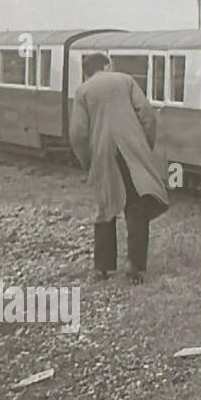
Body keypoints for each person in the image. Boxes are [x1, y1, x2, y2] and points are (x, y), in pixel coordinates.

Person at [69, 53, 170, 284]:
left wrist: (87, 160)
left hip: (102, 155)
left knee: (105, 207)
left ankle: (102, 269)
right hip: (131, 151)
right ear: (107, 65)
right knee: (136, 206)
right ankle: (135, 267)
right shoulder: (125, 80)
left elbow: (78, 133)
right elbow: (148, 116)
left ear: (87, 71)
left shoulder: (83, 91)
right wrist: (144, 146)